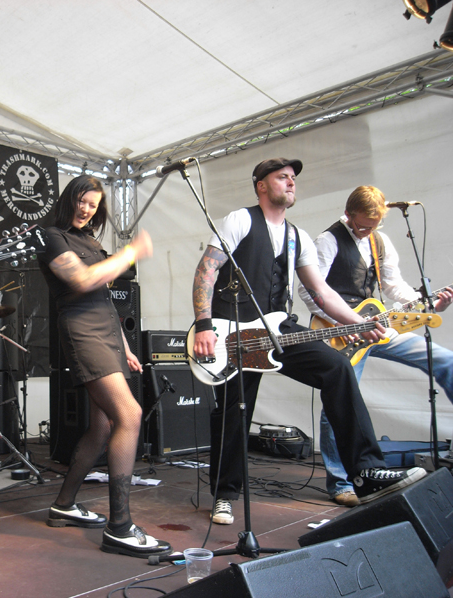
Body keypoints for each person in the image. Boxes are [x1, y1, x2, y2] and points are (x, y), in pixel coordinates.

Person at [191, 158, 426, 526]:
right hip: (233, 332)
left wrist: (357, 322)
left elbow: (321, 291)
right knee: (234, 410)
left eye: (293, 178)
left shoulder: (297, 236)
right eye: (282, 177)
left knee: (338, 368)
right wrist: (204, 324)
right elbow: (206, 271)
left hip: (278, 326)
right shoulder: (240, 220)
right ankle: (225, 494)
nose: (291, 183)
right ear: (261, 185)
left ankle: (366, 472)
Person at [38, 175, 171, 559]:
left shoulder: (91, 242)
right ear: (69, 199)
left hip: (107, 335)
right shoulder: (51, 236)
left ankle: (63, 505)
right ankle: (120, 527)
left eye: (93, 205)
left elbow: (106, 299)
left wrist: (125, 346)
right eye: (81, 201)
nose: (86, 209)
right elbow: (82, 280)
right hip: (83, 333)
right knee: (130, 414)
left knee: (102, 427)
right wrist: (131, 252)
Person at [298, 185, 453, 507]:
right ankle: (341, 482)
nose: (367, 231)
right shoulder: (327, 241)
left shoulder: (379, 241)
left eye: (374, 225)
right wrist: (344, 322)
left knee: (445, 361)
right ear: (348, 213)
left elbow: (393, 285)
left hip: (378, 326)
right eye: (362, 225)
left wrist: (427, 303)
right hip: (341, 331)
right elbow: (309, 291)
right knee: (339, 401)